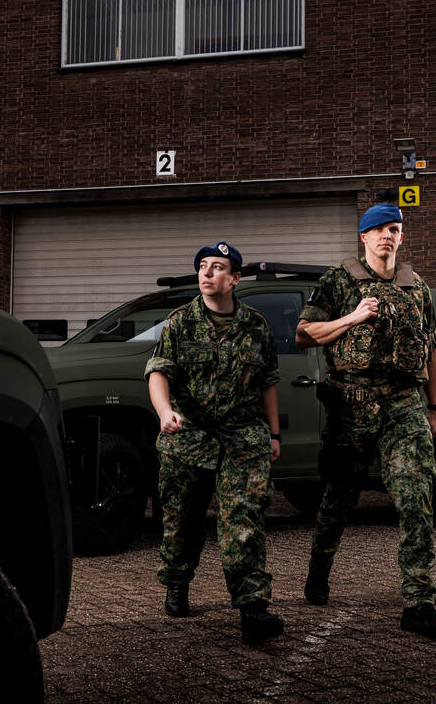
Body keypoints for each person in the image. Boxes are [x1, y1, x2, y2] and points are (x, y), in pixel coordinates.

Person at [295, 203, 436, 640]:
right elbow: (303, 333)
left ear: (401, 237)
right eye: (379, 229)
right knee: (338, 500)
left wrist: (434, 406)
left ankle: (418, 603)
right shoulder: (339, 280)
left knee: (415, 496)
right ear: (362, 237)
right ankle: (318, 571)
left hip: (404, 406)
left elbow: (434, 349)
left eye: (395, 229)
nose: (388, 235)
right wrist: (353, 317)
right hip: (353, 406)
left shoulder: (415, 286)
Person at [145, 241, 285, 646]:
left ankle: (252, 608)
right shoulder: (179, 323)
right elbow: (158, 373)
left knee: (244, 521)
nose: (207, 273)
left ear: (235, 278)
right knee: (182, 521)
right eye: (203, 266)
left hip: (243, 437)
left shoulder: (256, 326)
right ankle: (177, 581)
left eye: (218, 267)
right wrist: (164, 412)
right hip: (188, 437)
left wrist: (274, 434)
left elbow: (267, 384)